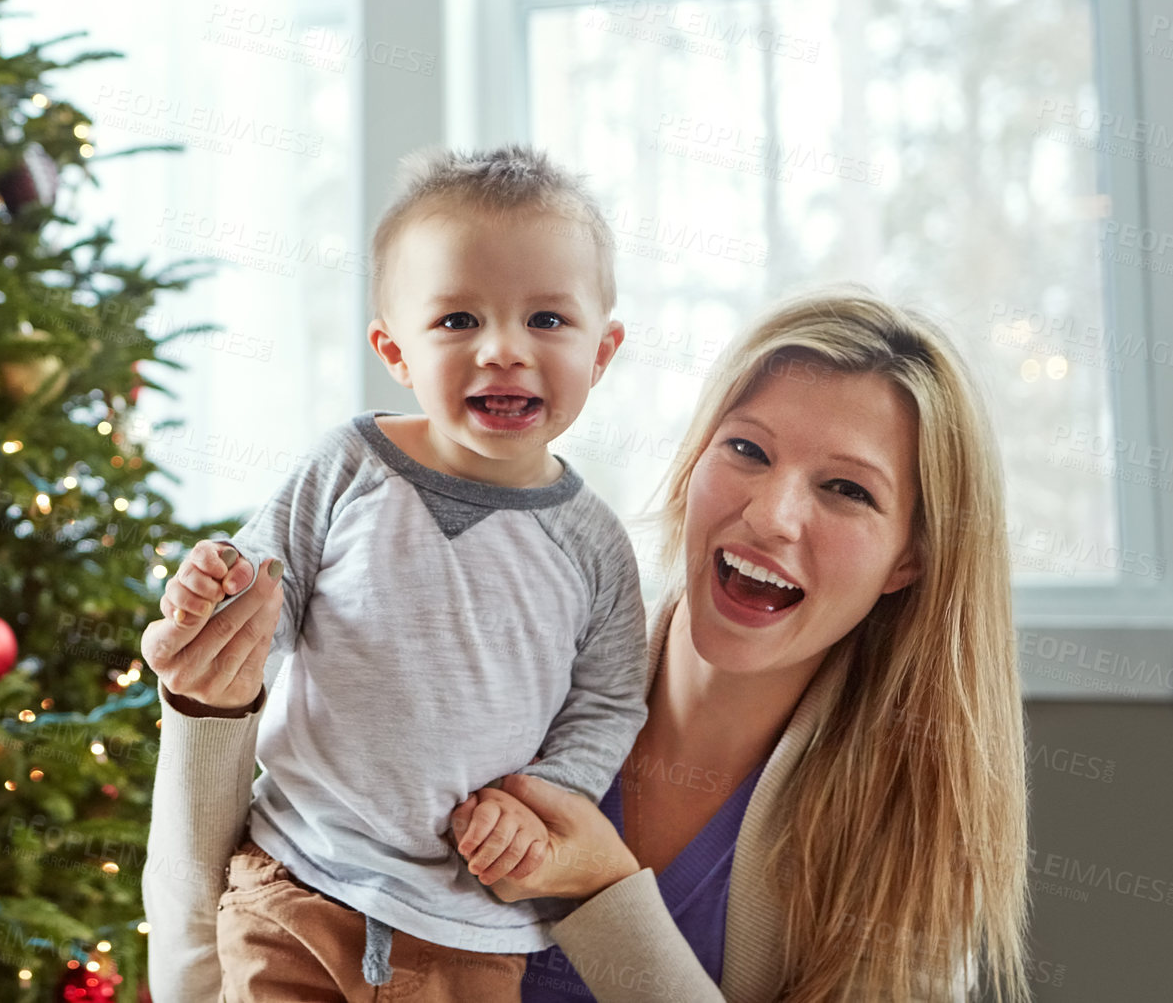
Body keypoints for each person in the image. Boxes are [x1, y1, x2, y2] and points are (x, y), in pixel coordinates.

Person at [141, 285, 1031, 1003]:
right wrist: (208, 709)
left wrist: (604, 902)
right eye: (747, 451)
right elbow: (223, 927)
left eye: (846, 490)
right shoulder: (520, 649)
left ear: (908, 559)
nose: (771, 515)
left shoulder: (903, 828)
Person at [139, 144, 653, 1000]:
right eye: (457, 321)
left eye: (546, 321)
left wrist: (542, 799)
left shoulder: (595, 544)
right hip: (297, 880)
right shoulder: (349, 467)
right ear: (395, 351)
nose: (501, 350)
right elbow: (263, 595)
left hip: (469, 928)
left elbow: (605, 701)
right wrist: (210, 601)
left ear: (602, 351)